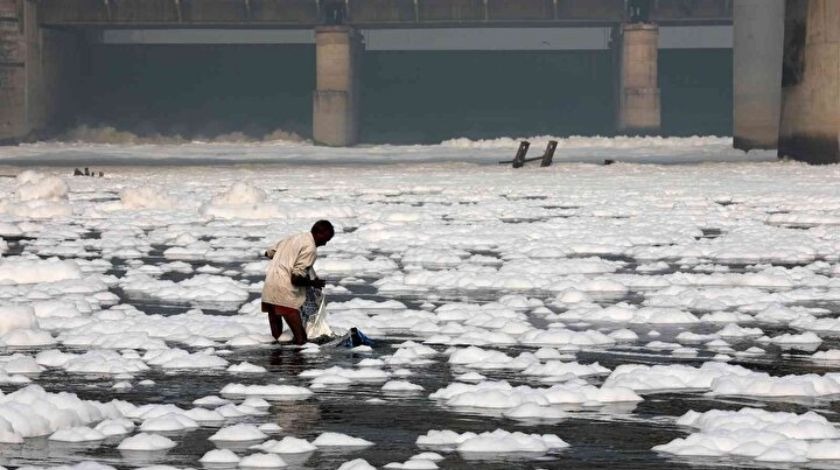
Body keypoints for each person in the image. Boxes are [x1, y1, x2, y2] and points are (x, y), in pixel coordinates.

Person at [261, 220, 334, 345]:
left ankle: (276, 362)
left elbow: (269, 253)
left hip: (270, 287)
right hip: (284, 293)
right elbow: (295, 279)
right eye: (326, 239)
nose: (325, 243)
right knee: (301, 340)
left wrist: (286, 259)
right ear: (318, 233)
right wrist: (313, 284)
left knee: (277, 340)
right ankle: (298, 364)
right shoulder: (310, 248)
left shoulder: (293, 238)